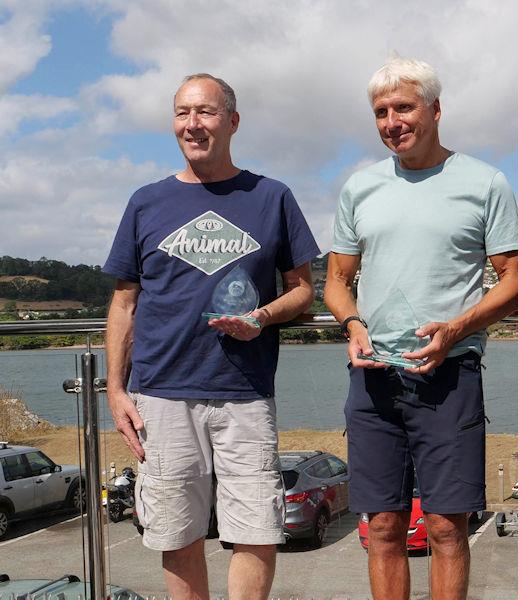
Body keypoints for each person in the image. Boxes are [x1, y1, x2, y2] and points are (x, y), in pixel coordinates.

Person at [324, 57, 518, 600]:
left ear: (436, 110)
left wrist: (458, 327)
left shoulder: (484, 182)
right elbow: (335, 280)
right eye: (381, 112)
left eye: (404, 107)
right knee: (384, 528)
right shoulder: (359, 188)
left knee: (446, 527)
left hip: (451, 375)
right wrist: (351, 322)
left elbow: (514, 279)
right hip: (373, 379)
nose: (392, 121)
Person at [103, 73, 319, 600]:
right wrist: (115, 388)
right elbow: (124, 303)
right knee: (176, 534)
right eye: (182, 113)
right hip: (161, 393)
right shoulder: (146, 202)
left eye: (204, 112)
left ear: (232, 121)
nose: (192, 125)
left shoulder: (272, 197)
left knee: (257, 532)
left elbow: (303, 291)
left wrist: (262, 317)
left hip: (244, 391)